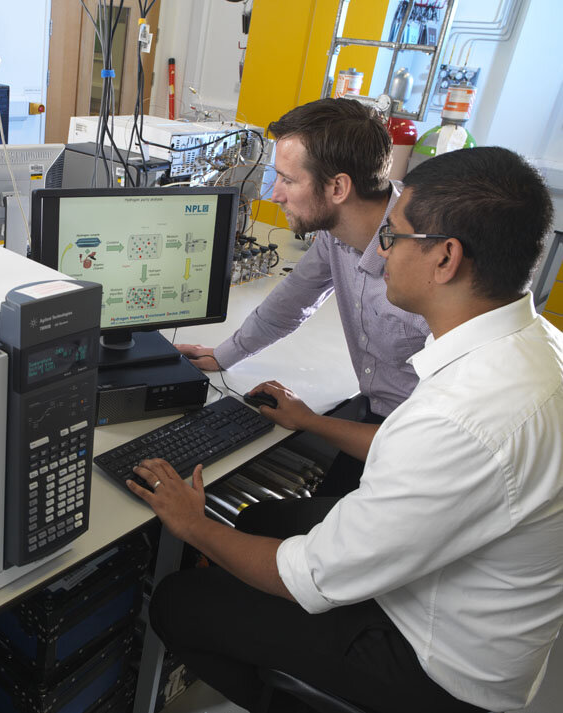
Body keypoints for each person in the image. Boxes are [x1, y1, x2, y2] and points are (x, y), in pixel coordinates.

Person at [129, 146, 562, 713]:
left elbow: (311, 577)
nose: (381, 252)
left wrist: (193, 524)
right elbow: (419, 455)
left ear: (445, 257)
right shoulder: (531, 347)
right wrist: (312, 422)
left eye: (395, 237)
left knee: (177, 603)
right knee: (261, 520)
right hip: (465, 596)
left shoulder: (462, 413)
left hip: (435, 664)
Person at [178, 98, 429, 495]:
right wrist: (224, 355)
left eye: (287, 180)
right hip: (377, 418)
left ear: (338, 187)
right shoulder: (338, 234)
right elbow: (291, 301)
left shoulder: (423, 260)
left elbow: (435, 443)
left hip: (421, 451)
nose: (274, 194)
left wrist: (311, 421)